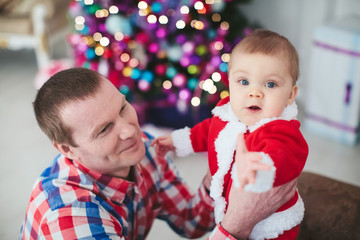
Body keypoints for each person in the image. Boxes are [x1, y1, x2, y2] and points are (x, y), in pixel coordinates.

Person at [19, 67, 297, 240]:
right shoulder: (68, 214)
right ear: (67, 150)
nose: (130, 131)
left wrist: (222, 167)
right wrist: (238, 223)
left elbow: (190, 222)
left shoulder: (144, 150)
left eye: (123, 108)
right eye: (104, 130)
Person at [152, 29, 309, 240]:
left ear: (290, 95)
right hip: (230, 206)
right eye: (244, 82)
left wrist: (259, 168)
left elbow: (281, 156)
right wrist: (179, 141)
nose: (255, 93)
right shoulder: (227, 113)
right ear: (230, 83)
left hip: (271, 226)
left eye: (270, 84)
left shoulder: (281, 131)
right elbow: (209, 131)